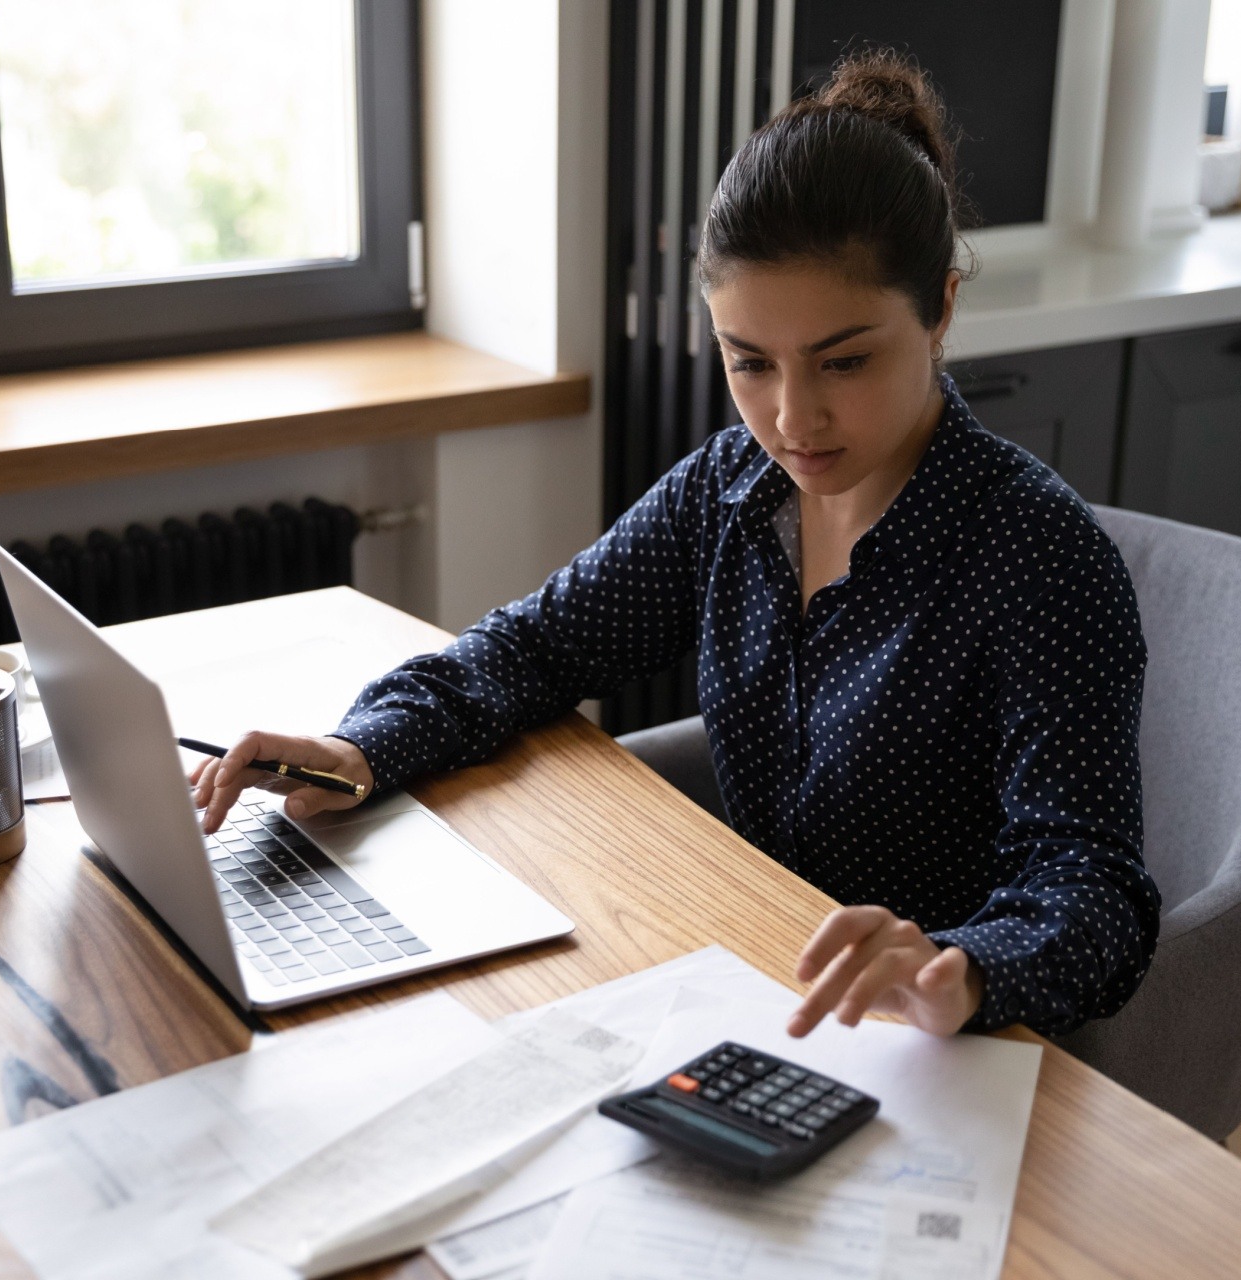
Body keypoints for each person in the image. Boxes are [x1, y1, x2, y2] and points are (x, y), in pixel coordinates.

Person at [192, 49, 1159, 1042]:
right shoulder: (732, 489)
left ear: (942, 307)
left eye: (847, 360)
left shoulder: (1036, 556)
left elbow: (1095, 896)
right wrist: (356, 747)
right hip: (748, 984)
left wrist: (959, 967)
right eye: (749, 362)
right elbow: (533, 648)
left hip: (950, 1050)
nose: (793, 418)